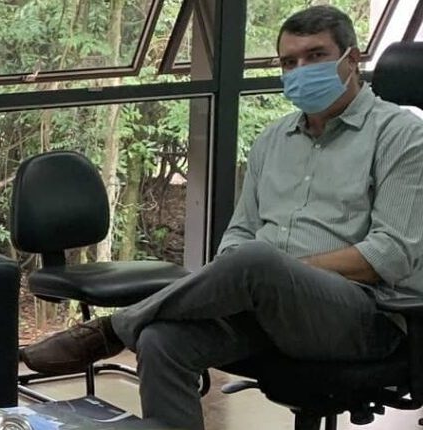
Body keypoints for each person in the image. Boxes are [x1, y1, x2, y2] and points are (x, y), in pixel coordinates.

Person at [21, 5, 423, 429]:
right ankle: (133, 338)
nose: (300, 70)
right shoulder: (274, 139)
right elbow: (240, 233)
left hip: (363, 316)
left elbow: (390, 254)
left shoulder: (401, 136)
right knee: (161, 339)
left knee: (257, 261)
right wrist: (257, 281)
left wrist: (281, 274)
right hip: (264, 307)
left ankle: (112, 331)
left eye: (316, 56)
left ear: (352, 59)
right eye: (289, 62)